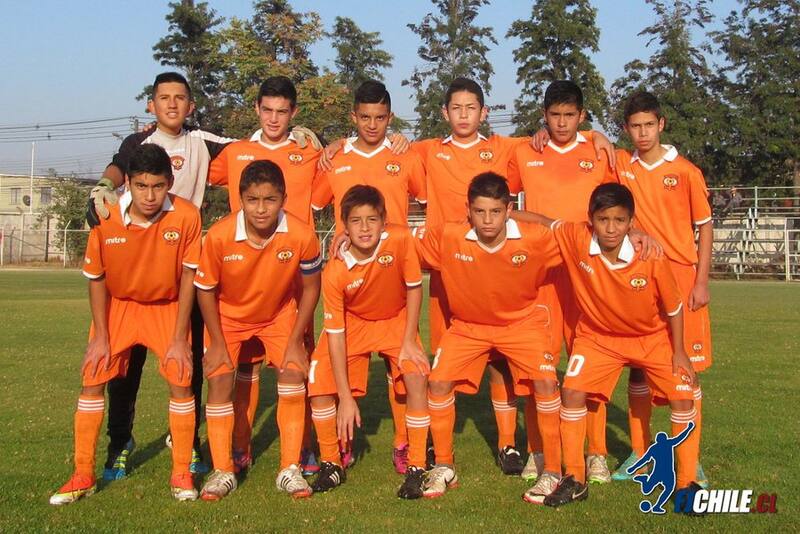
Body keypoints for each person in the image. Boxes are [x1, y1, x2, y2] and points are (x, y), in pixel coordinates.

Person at [512, 183, 701, 507]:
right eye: (602, 220)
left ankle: (687, 483)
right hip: (597, 337)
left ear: (631, 222)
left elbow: (674, 308)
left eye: (618, 220)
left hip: (651, 338)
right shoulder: (576, 237)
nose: (610, 228)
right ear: (590, 220)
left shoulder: (651, 255)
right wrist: (504, 212)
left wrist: (680, 351)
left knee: (684, 398)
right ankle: (574, 477)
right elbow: (543, 221)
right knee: (571, 391)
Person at [50, 144, 201, 504]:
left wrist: (180, 337)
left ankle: (182, 472)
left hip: (166, 308)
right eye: (141, 186)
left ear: (170, 182)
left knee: (181, 381)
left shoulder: (187, 216)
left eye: (158, 186)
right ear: (127, 184)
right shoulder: (105, 216)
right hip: (119, 308)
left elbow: (188, 278)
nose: (150, 196)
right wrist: (101, 336)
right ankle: (82, 474)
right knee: (93, 377)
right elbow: (96, 278)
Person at [414, 172, 562, 500]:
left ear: (509, 209)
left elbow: (583, 236)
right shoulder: (450, 236)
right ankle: (444, 465)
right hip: (467, 327)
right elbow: (400, 243)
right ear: (468, 210)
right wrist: (348, 238)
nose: (487, 220)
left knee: (546, 384)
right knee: (437, 382)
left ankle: (552, 470)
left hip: (522, 324)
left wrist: (635, 233)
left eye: (495, 211)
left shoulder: (534, 238)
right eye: (480, 212)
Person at [207, 75, 324, 475]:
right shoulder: (235, 151)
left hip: (293, 278)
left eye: (283, 111)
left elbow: (342, 176)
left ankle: (302, 447)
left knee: (297, 364)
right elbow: (189, 172)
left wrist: (331, 143)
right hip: (241, 277)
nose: (274, 119)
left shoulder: (308, 151)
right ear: (257, 109)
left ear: (294, 113)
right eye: (267, 110)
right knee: (245, 367)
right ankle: (238, 446)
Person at [311, 79, 427, 473]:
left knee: (408, 372)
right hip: (350, 281)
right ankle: (336, 449)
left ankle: (405, 444)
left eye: (380, 118)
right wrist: (318, 147)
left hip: (394, 279)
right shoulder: (335, 158)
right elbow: (308, 200)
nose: (373, 125)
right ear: (353, 117)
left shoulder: (405, 155)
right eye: (365, 117)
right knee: (323, 374)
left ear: (389, 117)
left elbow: (433, 194)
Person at [507, 80, 618, 486]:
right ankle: (540, 450)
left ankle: (597, 454)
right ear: (544, 115)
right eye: (554, 115)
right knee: (539, 365)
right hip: (541, 275)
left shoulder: (598, 150)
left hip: (588, 275)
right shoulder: (525, 152)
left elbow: (621, 203)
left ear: (583, 116)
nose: (562, 123)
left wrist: (596, 136)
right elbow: (505, 209)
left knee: (590, 362)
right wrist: (546, 227)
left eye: (570, 115)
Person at [194, 160, 322, 499]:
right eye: (252, 200)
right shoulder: (219, 236)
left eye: (270, 199)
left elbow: (311, 288)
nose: (261, 208)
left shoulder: (301, 235)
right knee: (220, 378)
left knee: (294, 373)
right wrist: (218, 342)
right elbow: (205, 290)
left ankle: (289, 469)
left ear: (283, 198)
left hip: (278, 316)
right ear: (240, 199)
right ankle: (223, 470)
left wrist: (296, 339)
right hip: (228, 318)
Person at [611, 91, 713, 488]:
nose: (642, 133)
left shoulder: (686, 171)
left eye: (648, 125)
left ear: (661, 125)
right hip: (641, 281)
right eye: (634, 126)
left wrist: (702, 281)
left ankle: (692, 459)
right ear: (626, 129)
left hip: (683, 277)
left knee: (686, 368)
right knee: (638, 367)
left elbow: (704, 227)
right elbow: (596, 147)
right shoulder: (622, 165)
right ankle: (638, 453)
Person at [307, 185, 430, 499]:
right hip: (355, 323)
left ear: (384, 221)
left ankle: (415, 461)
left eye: (372, 219)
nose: (364, 228)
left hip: (396, 319)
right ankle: (331, 461)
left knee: (415, 376)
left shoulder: (401, 240)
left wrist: (408, 341)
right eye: (356, 221)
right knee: (319, 382)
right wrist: (346, 398)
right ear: (344, 227)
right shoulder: (334, 270)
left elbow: (414, 288)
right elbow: (334, 335)